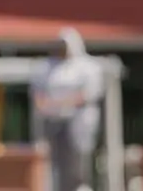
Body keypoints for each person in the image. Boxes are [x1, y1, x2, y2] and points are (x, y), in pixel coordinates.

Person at [32, 28, 105, 191]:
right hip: (53, 122)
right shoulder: (46, 67)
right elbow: (38, 95)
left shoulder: (87, 67)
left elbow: (89, 93)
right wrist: (50, 105)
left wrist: (62, 103)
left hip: (80, 122)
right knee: (53, 161)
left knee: (79, 160)